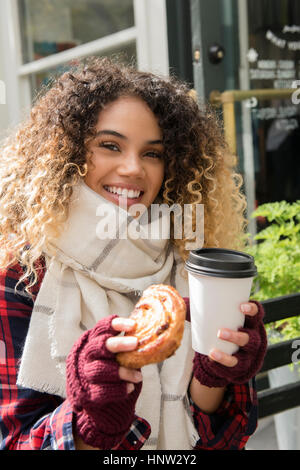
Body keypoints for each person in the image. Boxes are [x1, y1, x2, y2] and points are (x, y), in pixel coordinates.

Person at [0, 56, 267, 450]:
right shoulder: (23, 273)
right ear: (66, 151)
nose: (133, 168)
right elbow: (15, 440)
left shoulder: (186, 260)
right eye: (110, 145)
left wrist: (216, 374)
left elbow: (223, 440)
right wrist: (95, 421)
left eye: (153, 153)